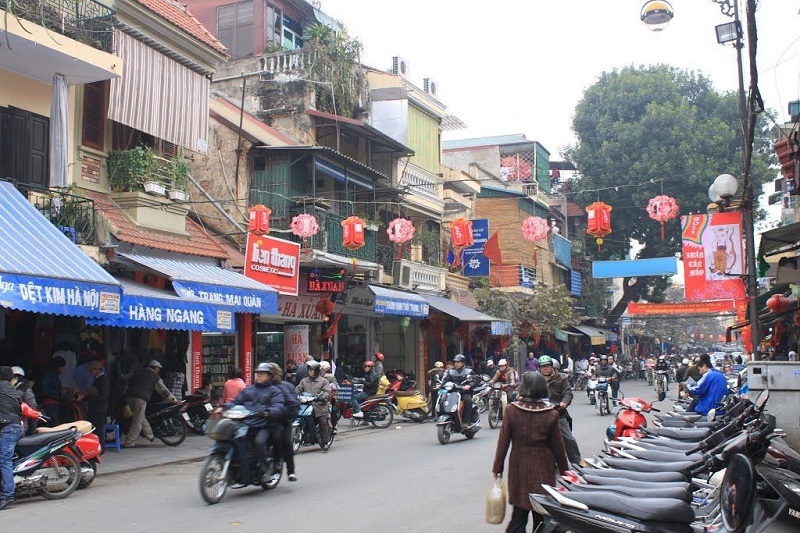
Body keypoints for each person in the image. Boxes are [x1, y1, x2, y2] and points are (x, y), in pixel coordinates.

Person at [492, 371, 570, 532]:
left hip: (518, 466)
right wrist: (565, 473)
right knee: (541, 513)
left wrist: (498, 468)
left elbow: (503, 442)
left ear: (523, 387)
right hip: (543, 468)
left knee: (519, 514)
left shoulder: (512, 410)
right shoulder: (551, 413)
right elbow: (558, 448)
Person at [227, 363, 285, 482]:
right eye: (258, 373)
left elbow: (278, 406)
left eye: (262, 374)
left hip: (264, 424)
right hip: (246, 423)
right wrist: (224, 407)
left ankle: (263, 471)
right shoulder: (248, 390)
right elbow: (236, 401)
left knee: (259, 442)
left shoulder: (274, 391)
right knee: (232, 438)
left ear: (269, 376)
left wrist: (268, 412)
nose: (259, 376)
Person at [538, 356, 584, 467]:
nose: (545, 368)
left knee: (568, 438)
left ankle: (577, 461)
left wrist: (564, 402)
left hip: (558, 412)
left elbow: (568, 393)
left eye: (547, 366)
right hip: (540, 414)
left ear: (552, 367)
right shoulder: (536, 380)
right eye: (543, 367)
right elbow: (527, 391)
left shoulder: (561, 378)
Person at [123, 360, 180, 448]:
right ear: (155, 368)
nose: (159, 370)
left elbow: (125, 379)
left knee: (141, 417)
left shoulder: (138, 371)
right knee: (137, 421)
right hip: (140, 399)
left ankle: (150, 435)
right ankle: (129, 442)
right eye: (158, 368)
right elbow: (163, 390)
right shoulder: (154, 376)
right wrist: (174, 400)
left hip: (129, 398)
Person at [1, 366, 25, 510]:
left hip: (8, 429)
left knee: (4, 460)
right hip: (15, 426)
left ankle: (8, 496)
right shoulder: (13, 390)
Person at [295, 361, 331, 451]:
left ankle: (325, 442)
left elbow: (326, 392)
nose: (309, 372)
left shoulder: (323, 381)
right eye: (309, 370)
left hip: (319, 406)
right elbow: (297, 390)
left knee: (322, 421)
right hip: (305, 405)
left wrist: (321, 397)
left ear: (316, 371)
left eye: (311, 370)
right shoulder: (304, 381)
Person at [271, 364, 299, 482]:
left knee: (286, 442)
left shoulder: (286, 387)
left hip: (283, 420)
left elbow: (293, 404)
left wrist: (284, 415)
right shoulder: (262, 387)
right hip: (266, 420)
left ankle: (290, 471)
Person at [441, 354, 478, 425]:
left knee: (468, 401)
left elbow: (474, 380)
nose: (456, 364)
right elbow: (445, 380)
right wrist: (441, 384)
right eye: (455, 362)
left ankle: (466, 421)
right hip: (452, 392)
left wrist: (469, 385)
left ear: (463, 363)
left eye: (458, 362)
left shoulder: (469, 371)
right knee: (443, 400)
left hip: (464, 392)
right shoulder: (450, 372)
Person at [83, 361, 110, 446]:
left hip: (99, 409)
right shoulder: (98, 379)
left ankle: (100, 447)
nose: (91, 373)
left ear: (97, 369)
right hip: (97, 408)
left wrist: (90, 397)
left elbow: (102, 396)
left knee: (98, 430)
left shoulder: (102, 380)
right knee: (96, 430)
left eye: (91, 370)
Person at [41, 356, 66, 426]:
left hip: (55, 402)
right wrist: (58, 394)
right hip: (51, 402)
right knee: (54, 423)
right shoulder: (50, 375)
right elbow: (45, 390)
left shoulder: (55, 375)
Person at [11, 367, 37, 435]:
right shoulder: (12, 388)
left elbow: (32, 407)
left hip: (21, 423)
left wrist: (32, 430)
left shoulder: (25, 389)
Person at [319, 361, 340, 431]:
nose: (320, 371)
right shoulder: (316, 377)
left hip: (330, 398)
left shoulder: (331, 377)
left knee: (333, 410)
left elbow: (335, 387)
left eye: (322, 369)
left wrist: (331, 395)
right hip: (319, 398)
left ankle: (334, 425)